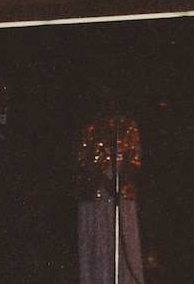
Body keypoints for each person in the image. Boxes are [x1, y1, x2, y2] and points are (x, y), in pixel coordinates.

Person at [76, 85, 145, 284]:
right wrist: (103, 180)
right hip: (96, 196)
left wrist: (119, 181)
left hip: (121, 196)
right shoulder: (88, 128)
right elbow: (83, 161)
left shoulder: (128, 127)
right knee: (98, 245)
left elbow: (135, 159)